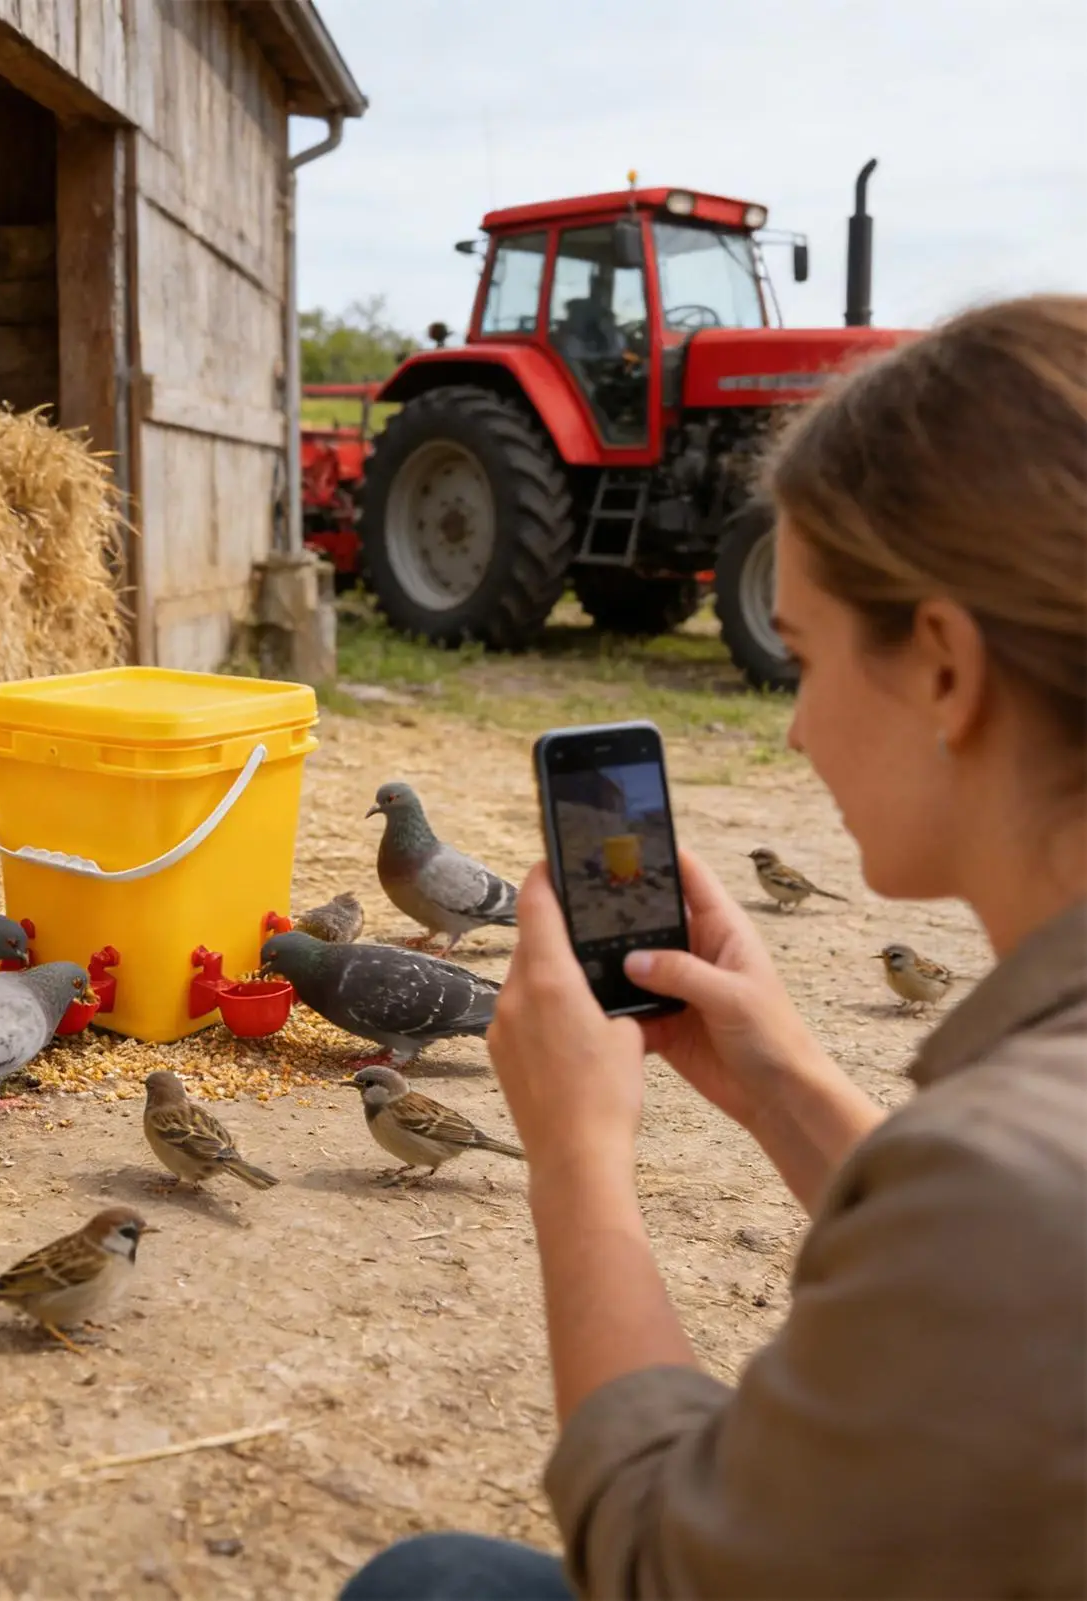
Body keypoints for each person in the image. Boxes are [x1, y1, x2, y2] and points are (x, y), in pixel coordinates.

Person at [340, 294, 1087, 1600]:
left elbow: (661, 1559)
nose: (794, 733)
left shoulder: (1007, 1179)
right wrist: (782, 1081)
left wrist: (573, 1154)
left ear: (949, 674)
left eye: (801, 657)